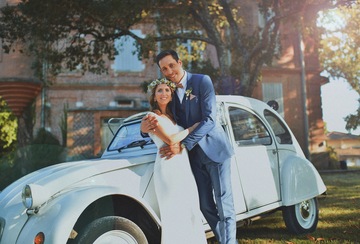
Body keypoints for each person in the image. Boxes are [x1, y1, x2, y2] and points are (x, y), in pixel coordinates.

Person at [141, 49, 237, 244]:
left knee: (223, 202)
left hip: (214, 150)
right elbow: (163, 121)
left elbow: (209, 119)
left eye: (171, 65)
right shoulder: (169, 92)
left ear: (180, 62)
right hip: (191, 158)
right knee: (204, 205)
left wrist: (183, 144)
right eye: (164, 69)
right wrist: (143, 130)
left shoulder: (202, 81)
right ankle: (225, 239)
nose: (169, 71)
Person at [146, 78, 207, 244]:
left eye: (167, 90)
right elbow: (170, 139)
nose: (164, 93)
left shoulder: (175, 118)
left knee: (190, 208)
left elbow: (177, 142)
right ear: (154, 96)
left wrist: (182, 142)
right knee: (173, 211)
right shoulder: (151, 117)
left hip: (183, 167)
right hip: (167, 168)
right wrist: (192, 128)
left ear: (172, 96)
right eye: (159, 90)